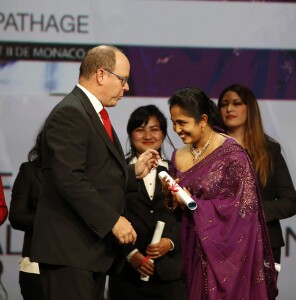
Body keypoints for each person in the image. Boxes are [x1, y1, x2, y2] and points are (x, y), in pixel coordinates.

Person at [30, 45, 160, 300]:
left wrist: (133, 172)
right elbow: (69, 178)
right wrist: (112, 220)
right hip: (69, 252)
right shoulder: (71, 112)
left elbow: (95, 173)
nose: (127, 88)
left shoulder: (90, 112)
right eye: (123, 79)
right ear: (101, 75)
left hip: (87, 253)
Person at [163, 87, 278, 299]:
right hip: (191, 251)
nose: (176, 129)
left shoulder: (233, 155)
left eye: (182, 123)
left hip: (228, 259)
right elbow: (176, 212)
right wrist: (172, 198)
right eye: (173, 122)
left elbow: (243, 212)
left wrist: (195, 205)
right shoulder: (178, 155)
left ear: (203, 120)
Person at [109, 105, 187, 300]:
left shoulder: (179, 173)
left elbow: (189, 218)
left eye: (154, 129)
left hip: (172, 277)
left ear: (163, 133)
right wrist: (130, 254)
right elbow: (106, 215)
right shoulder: (116, 174)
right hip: (127, 277)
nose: (147, 135)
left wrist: (170, 242)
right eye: (140, 129)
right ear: (130, 134)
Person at [217, 83, 296, 268]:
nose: (229, 108)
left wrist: (252, 211)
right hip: (220, 244)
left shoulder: (270, 150)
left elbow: (290, 203)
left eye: (237, 103)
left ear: (250, 109)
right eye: (224, 104)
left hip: (264, 244)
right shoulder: (209, 152)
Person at [9, 131, 44, 300]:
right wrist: (50, 221)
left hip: (76, 266)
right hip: (36, 264)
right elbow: (16, 217)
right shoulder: (29, 171)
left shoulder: (85, 173)